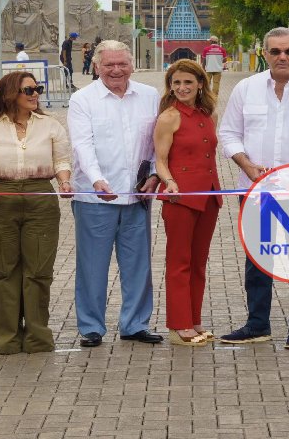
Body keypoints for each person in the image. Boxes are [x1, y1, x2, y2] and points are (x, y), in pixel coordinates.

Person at [218, 27, 289, 349]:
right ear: (265, 54)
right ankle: (257, 325)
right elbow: (228, 134)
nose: (282, 57)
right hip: (256, 191)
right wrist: (245, 164)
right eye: (275, 52)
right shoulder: (246, 88)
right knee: (258, 261)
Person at [68, 40, 163, 348]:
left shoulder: (149, 96)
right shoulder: (83, 99)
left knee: (138, 265)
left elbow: (155, 144)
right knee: (92, 266)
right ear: (96, 67)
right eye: (109, 65)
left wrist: (153, 176)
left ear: (132, 65)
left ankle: (135, 324)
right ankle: (91, 326)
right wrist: (97, 181)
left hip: (137, 197)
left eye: (122, 64)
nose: (116, 70)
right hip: (95, 197)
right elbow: (83, 145)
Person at [0, 72, 73, 354]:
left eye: (38, 88)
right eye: (29, 90)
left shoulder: (50, 125)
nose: (35, 94)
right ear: (10, 93)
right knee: (2, 270)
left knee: (39, 270)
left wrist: (63, 181)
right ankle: (7, 338)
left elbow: (61, 159)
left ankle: (38, 337)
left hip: (41, 197)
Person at [154, 59, 222, 346]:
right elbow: (160, 160)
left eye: (188, 82)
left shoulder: (208, 115)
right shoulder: (169, 117)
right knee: (179, 262)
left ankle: (194, 319)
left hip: (208, 196)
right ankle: (179, 324)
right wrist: (169, 181)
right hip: (180, 197)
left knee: (199, 262)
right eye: (176, 83)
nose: (181, 88)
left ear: (200, 84)